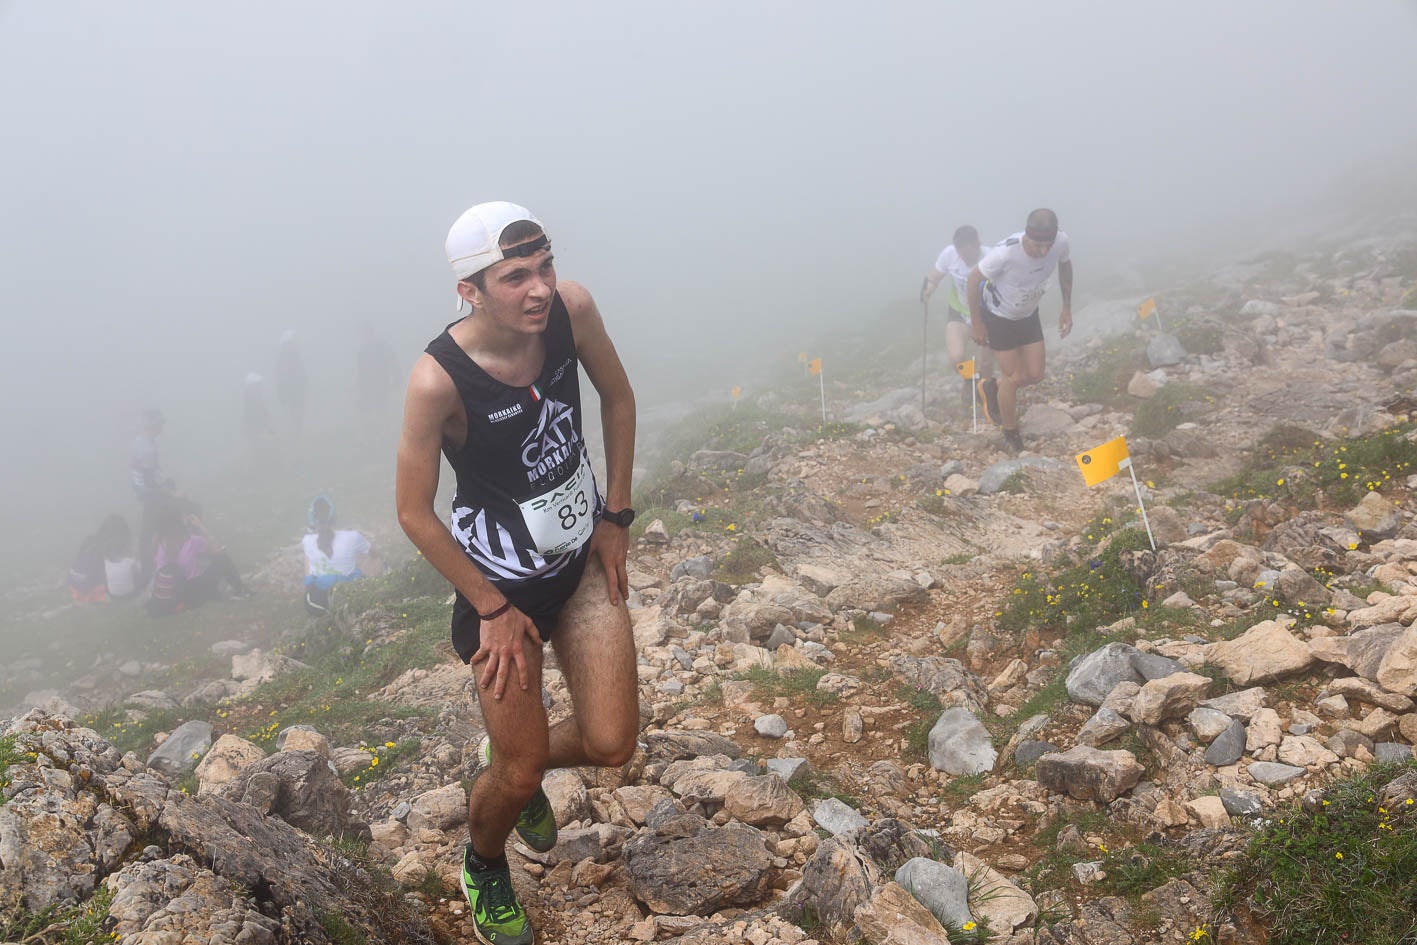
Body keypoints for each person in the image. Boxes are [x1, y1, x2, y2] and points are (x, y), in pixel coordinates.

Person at [396, 201, 637, 945]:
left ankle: (504, 755)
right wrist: (491, 606)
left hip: (579, 565)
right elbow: (413, 512)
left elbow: (618, 398)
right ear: (469, 290)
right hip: (501, 588)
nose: (538, 288)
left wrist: (615, 517)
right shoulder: (439, 380)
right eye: (514, 277)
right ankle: (484, 861)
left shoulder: (571, 311)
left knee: (611, 743)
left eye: (544, 266)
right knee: (523, 771)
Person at [967, 208, 1074, 453]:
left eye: (1048, 245)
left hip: (1027, 313)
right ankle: (1010, 431)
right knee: (1013, 377)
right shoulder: (1004, 254)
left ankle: (992, 388)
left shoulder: (1061, 242)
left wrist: (1066, 307)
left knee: (1035, 375)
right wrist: (977, 323)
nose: (1044, 252)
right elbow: (974, 280)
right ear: (1027, 235)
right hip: (999, 317)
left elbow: (1065, 267)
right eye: (1038, 246)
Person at [921, 225, 996, 413]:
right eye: (962, 254)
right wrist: (928, 289)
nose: (966, 258)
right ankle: (970, 380)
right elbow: (934, 276)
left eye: (970, 254)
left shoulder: (992, 257)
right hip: (959, 310)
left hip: (986, 314)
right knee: (955, 357)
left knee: (986, 363)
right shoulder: (949, 254)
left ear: (978, 245)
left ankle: (988, 397)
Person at [146, 507, 249, 617]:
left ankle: (225, 591)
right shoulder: (190, 540)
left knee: (205, 568)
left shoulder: (158, 541)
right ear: (179, 522)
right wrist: (201, 527)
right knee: (222, 559)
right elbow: (217, 551)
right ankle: (241, 590)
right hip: (192, 595)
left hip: (170, 598)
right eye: (184, 517)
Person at [301, 495, 374, 614]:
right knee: (375, 560)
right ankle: (379, 594)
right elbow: (375, 554)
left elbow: (308, 576)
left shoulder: (307, 540)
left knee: (311, 568)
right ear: (334, 517)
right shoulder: (352, 536)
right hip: (350, 593)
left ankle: (327, 615)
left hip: (315, 602)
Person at [275, 330, 308, 432]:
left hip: (296, 387)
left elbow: (299, 371)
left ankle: (297, 430)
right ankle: (296, 431)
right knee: (295, 410)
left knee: (296, 410)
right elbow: (283, 375)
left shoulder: (290, 355)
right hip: (293, 388)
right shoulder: (287, 356)